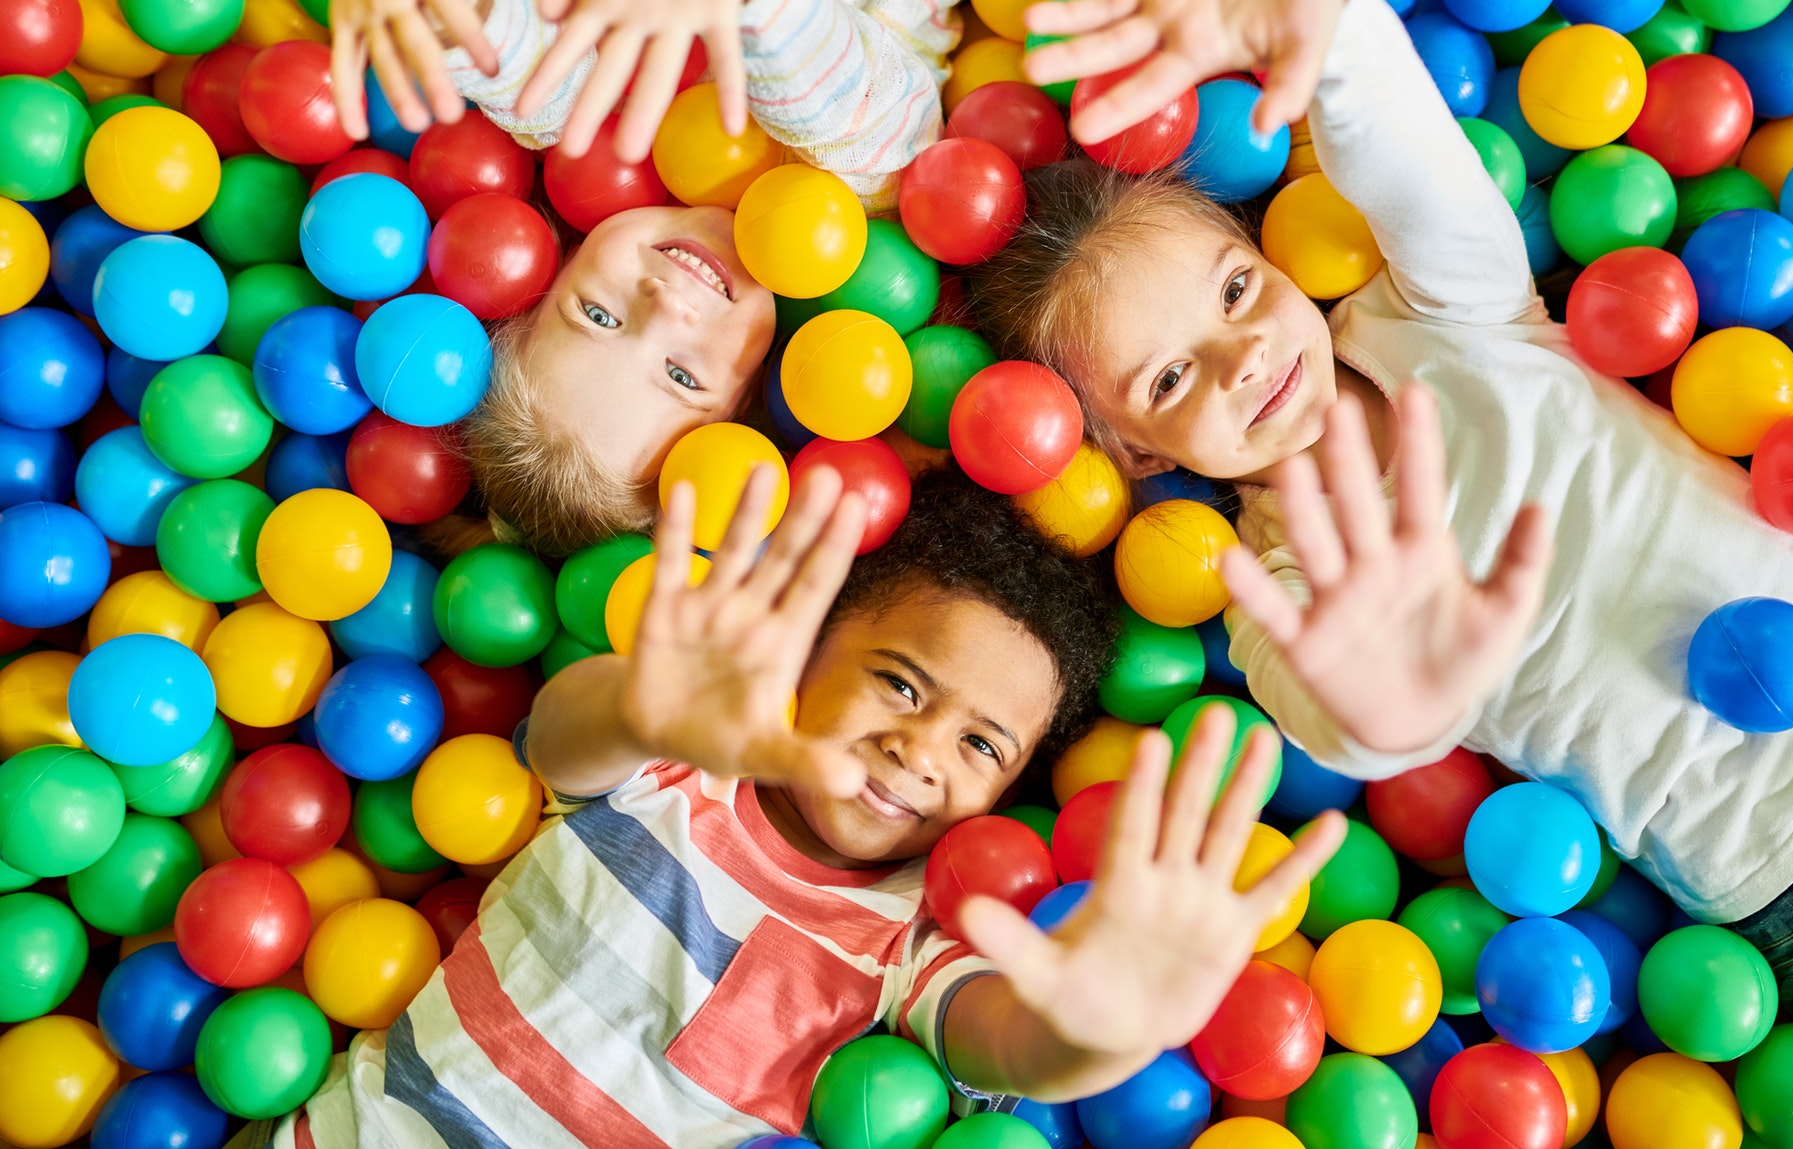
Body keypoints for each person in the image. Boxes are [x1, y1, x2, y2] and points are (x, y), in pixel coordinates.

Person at [969, 0, 1793, 1129]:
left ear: (1270, 257)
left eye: (1237, 291)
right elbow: (1346, 718)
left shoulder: (1441, 316)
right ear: (1137, 454)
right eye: (1168, 381)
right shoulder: (1273, 590)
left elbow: (1400, 145)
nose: (1242, 358)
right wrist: (1394, 705)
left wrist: (1317, 1)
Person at [237, 465, 1359, 1148]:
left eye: (978, 745)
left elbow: (1000, 1037)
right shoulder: (681, 767)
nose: (917, 746)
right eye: (899, 682)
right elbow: (562, 741)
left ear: (1006, 796)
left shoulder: (913, 930)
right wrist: (646, 704)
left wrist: (1091, 1032)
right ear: (808, 654)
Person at [327, 0, 970, 553]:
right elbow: (850, 97)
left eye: (597, 315)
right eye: (680, 374)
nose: (662, 305)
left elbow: (521, 61)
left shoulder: (618, 128)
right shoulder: (858, 197)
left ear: (552, 267)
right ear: (750, 403)